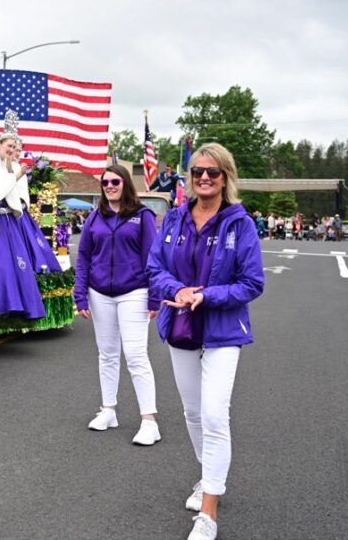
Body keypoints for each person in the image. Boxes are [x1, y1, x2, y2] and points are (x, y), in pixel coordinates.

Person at [147, 143, 264, 540]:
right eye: (197, 171)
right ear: (189, 177)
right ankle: (207, 475)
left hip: (222, 330)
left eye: (212, 172)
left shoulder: (240, 223)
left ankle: (209, 510)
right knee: (193, 413)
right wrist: (178, 290)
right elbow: (155, 267)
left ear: (226, 177)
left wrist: (206, 295)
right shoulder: (176, 218)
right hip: (180, 324)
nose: (204, 178)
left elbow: (252, 283)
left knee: (214, 414)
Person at [74, 164, 161, 445]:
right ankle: (108, 410)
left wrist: (155, 295)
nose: (109, 186)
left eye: (114, 181)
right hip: (99, 292)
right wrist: (80, 293)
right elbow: (84, 256)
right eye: (105, 182)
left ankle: (149, 421)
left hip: (134, 291)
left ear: (125, 183)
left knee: (136, 355)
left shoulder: (142, 216)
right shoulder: (94, 218)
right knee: (107, 354)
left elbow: (154, 257)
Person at [0, 134, 61, 319]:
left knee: (13, 262)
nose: (11, 150)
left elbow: (13, 192)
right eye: (9, 145)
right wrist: (17, 174)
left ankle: (11, 304)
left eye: (14, 147)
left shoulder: (2, 163)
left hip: (5, 218)